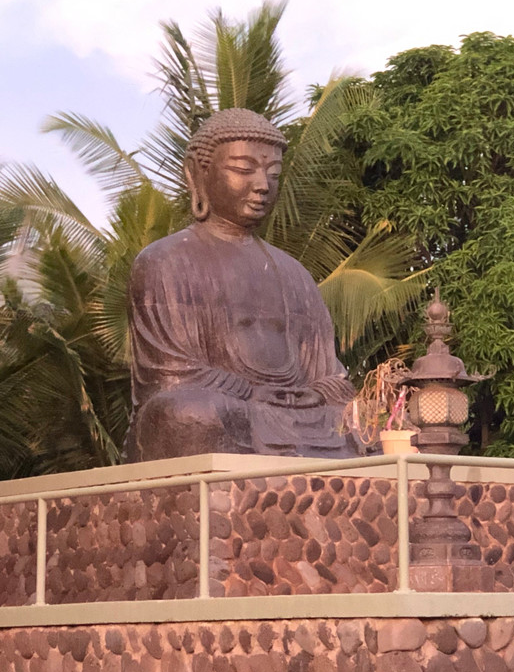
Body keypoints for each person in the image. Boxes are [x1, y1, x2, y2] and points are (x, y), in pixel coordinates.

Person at [123, 108, 357, 461]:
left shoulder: (294, 274)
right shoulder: (165, 260)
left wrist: (317, 394)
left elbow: (331, 375)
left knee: (365, 420)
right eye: (243, 170)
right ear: (196, 174)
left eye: (273, 173)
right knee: (183, 413)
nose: (262, 185)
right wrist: (249, 393)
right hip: (223, 408)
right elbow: (168, 374)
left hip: (294, 414)